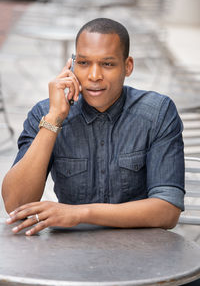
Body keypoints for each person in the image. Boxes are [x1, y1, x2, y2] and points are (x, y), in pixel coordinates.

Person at [2, 18, 185, 236]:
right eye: (84, 63)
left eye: (107, 64)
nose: (94, 76)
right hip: (69, 253)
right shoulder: (46, 113)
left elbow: (167, 211)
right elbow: (16, 205)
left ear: (128, 66)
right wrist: (54, 119)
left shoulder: (157, 113)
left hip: (140, 251)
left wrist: (79, 213)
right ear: (71, 64)